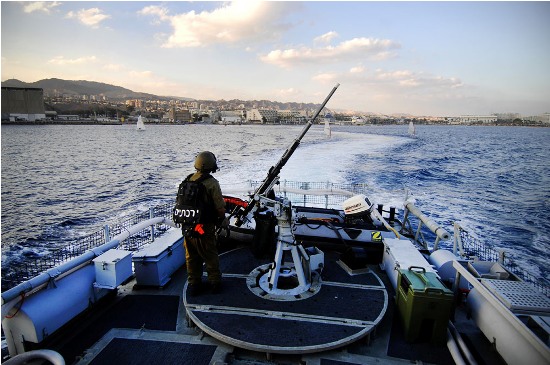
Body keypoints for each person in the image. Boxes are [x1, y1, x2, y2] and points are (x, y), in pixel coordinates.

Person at [183, 151, 228, 295]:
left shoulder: (188, 179)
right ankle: (214, 282)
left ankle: (194, 284)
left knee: (191, 255)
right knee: (209, 253)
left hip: (188, 226)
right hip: (203, 227)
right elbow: (220, 208)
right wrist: (222, 220)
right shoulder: (211, 183)